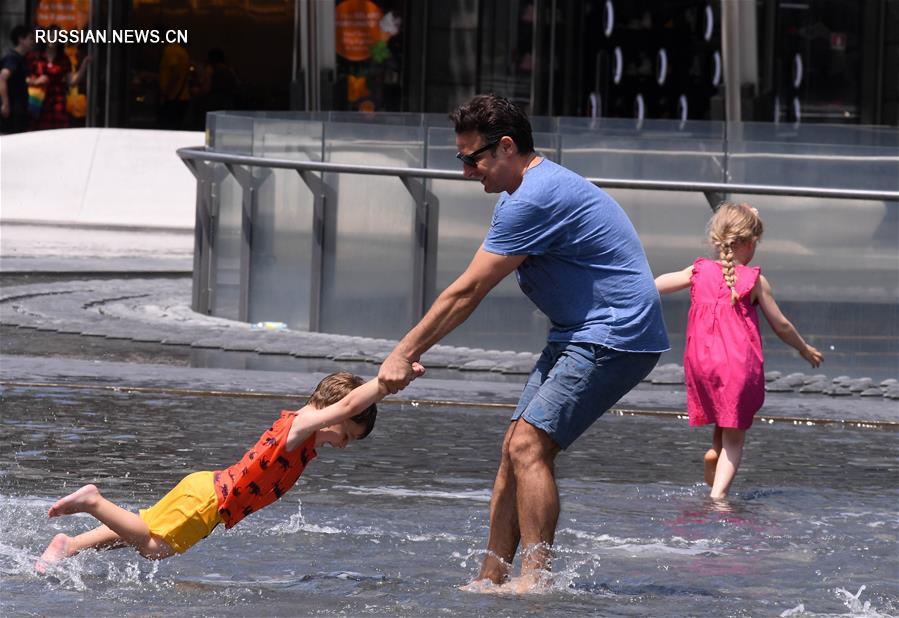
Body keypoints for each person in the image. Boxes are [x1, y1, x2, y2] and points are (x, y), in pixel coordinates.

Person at [378, 94, 668, 592]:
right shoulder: (519, 194)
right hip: (580, 330)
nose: (467, 171)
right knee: (512, 448)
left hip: (617, 334)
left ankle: (536, 580)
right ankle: (490, 576)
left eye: (473, 158)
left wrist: (404, 353)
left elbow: (467, 291)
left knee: (530, 446)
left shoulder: (535, 197)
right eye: (460, 159)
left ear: (507, 146)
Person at [35, 368, 423, 572]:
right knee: (154, 548)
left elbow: (342, 410)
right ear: (338, 413)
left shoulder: (303, 434)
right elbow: (345, 405)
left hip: (206, 487)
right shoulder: (300, 428)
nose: (344, 444)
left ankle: (68, 546)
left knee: (144, 525)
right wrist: (387, 382)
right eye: (348, 435)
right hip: (210, 500)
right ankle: (92, 500)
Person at [654, 202, 822, 500]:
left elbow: (657, 286)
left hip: (700, 363)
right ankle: (718, 497)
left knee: (724, 413)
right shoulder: (754, 280)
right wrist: (804, 348)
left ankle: (713, 453)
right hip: (736, 365)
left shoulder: (698, 270)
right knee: (736, 438)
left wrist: (628, 293)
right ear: (750, 242)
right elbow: (781, 325)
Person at [27, 25, 90, 130]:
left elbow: (72, 82)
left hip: (57, 101)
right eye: (51, 35)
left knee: (57, 132)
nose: (53, 38)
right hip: (37, 101)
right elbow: (23, 79)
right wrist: (36, 82)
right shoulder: (34, 57)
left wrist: (84, 65)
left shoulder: (63, 59)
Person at [0, 25, 35, 134]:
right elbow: (2, 77)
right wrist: (5, 104)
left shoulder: (21, 58)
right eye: (30, 38)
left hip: (19, 108)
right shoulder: (13, 58)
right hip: (13, 109)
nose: (33, 42)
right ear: (21, 39)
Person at [158, 34, 190, 129]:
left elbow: (175, 73)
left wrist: (167, 93)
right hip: (181, 96)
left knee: (169, 127)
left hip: (173, 97)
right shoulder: (182, 51)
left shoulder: (171, 50)